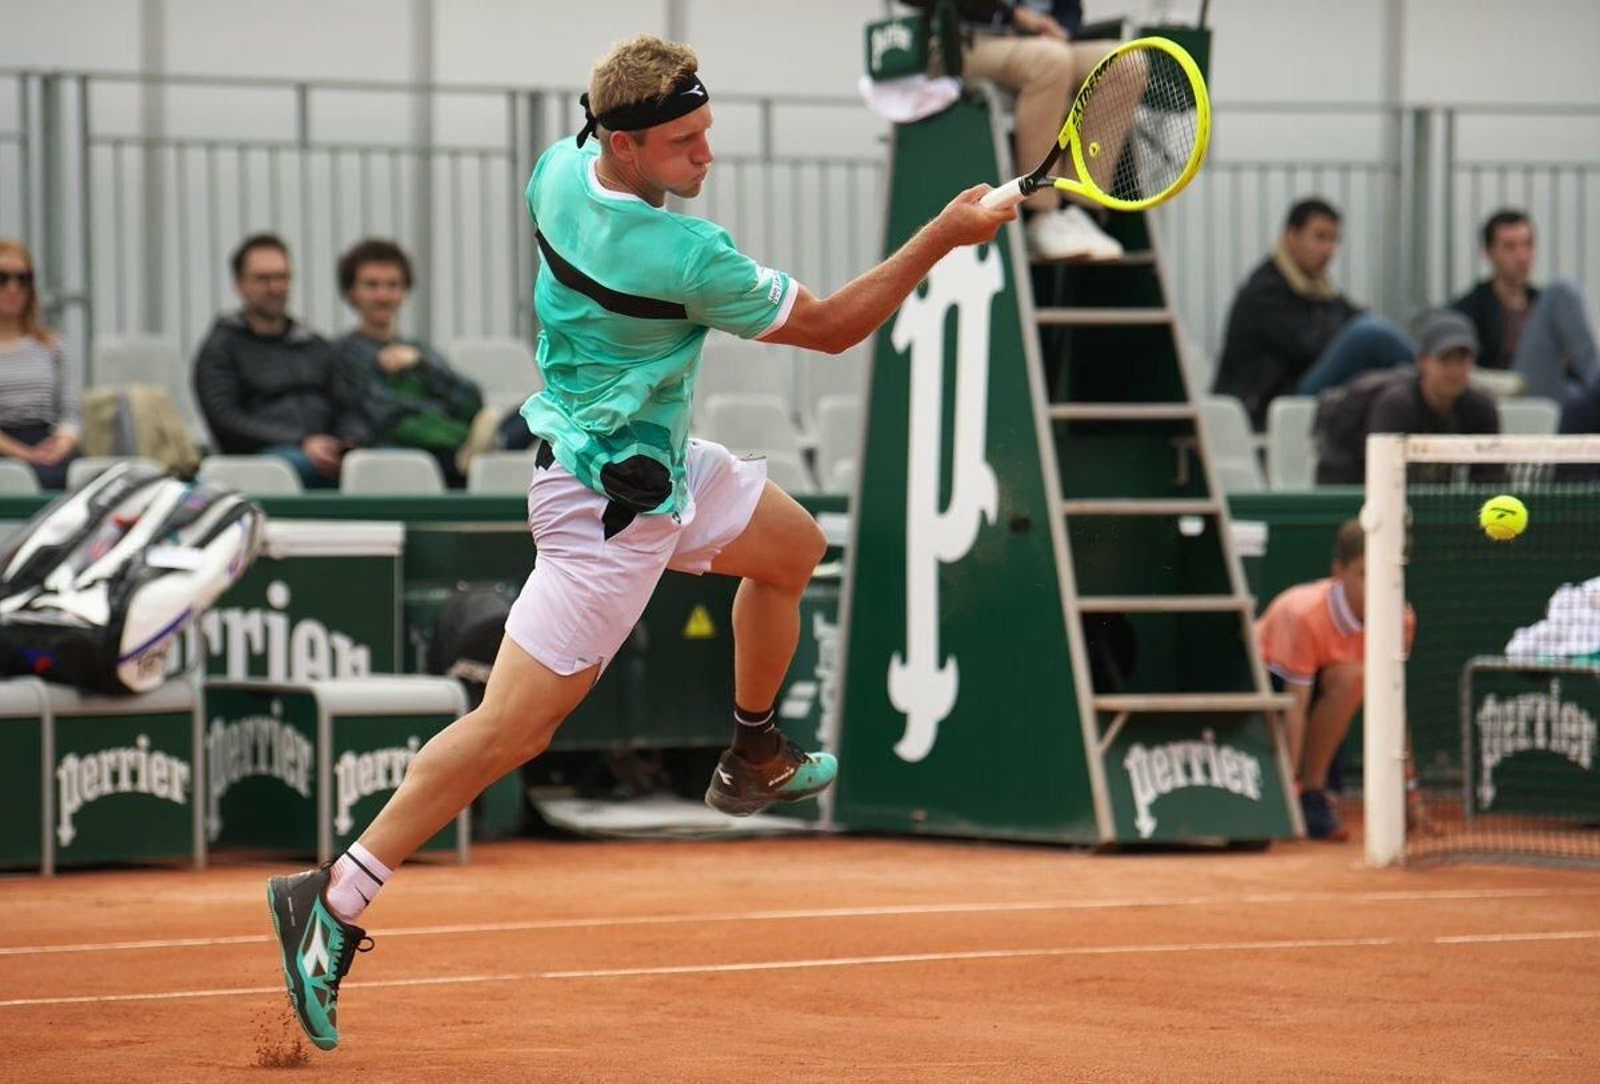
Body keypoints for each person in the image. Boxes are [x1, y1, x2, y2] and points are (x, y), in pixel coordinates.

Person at [265, 34, 1014, 1053]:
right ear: (620, 142)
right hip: (604, 513)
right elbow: (838, 326)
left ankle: (753, 748)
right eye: (681, 141)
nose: (705, 155)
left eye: (707, 130)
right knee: (508, 731)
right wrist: (943, 231)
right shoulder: (678, 256)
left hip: (647, 457)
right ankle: (335, 896)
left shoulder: (555, 170)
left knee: (790, 549)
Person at [909, 0, 1124, 260]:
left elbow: (1069, 9)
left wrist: (1061, 29)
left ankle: (1080, 210)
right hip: (964, 42)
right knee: (1052, 62)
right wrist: (1014, 16)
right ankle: (1039, 214)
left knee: (1122, 63)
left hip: (1043, 44)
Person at [1256, 520, 1417, 841]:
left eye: (1388, 573)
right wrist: (1285, 797)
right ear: (1338, 571)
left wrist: (1410, 793)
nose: (1377, 586)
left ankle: (1314, 794)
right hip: (1265, 686)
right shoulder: (1303, 614)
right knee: (1350, 677)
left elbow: (1391, 708)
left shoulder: (1401, 620)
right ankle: (1302, 795)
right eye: (1364, 573)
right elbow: (1294, 710)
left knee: (1354, 678)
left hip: (1325, 695)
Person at [191, 234, 362, 488]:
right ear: (238, 285)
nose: (275, 287)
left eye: (282, 277)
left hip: (322, 451)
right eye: (263, 279)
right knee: (307, 467)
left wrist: (347, 442)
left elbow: (347, 405)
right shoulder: (219, 349)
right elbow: (226, 421)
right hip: (261, 461)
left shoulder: (315, 346)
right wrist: (302, 442)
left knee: (377, 465)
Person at [332, 239, 484, 488]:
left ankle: (479, 449)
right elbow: (380, 414)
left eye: (393, 285)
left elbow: (471, 400)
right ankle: (474, 450)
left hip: (445, 443)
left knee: (530, 412)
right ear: (351, 293)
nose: (383, 295)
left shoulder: (421, 352)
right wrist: (442, 416)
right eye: (372, 285)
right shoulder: (343, 352)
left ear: (404, 291)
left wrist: (421, 365)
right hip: (395, 452)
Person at [1211, 198, 1362, 429]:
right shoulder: (1266, 292)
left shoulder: (1318, 288)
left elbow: (1349, 321)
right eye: (1320, 237)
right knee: (1369, 337)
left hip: (1294, 400)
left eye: (1334, 241)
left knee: (1370, 339)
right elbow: (1314, 346)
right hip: (1266, 411)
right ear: (1291, 236)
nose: (1329, 250)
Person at [1314, 310, 1500, 485]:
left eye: (1462, 359)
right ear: (1422, 361)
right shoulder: (1395, 405)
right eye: (1445, 359)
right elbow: (1382, 479)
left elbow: (1490, 479)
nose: (1454, 370)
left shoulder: (1481, 408)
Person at [1452, 208, 1599, 403]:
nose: (1522, 256)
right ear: (1488, 252)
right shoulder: (1469, 308)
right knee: (1562, 291)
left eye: (1528, 245)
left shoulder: (1541, 303)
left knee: (1578, 395)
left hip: (1549, 390)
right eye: (1510, 247)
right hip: (1503, 395)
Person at [0, 238, 81, 489]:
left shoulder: (53, 346)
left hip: (47, 443)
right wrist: (23, 454)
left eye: (22, 279)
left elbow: (70, 413)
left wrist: (63, 442)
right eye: (2, 279)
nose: (13, 288)